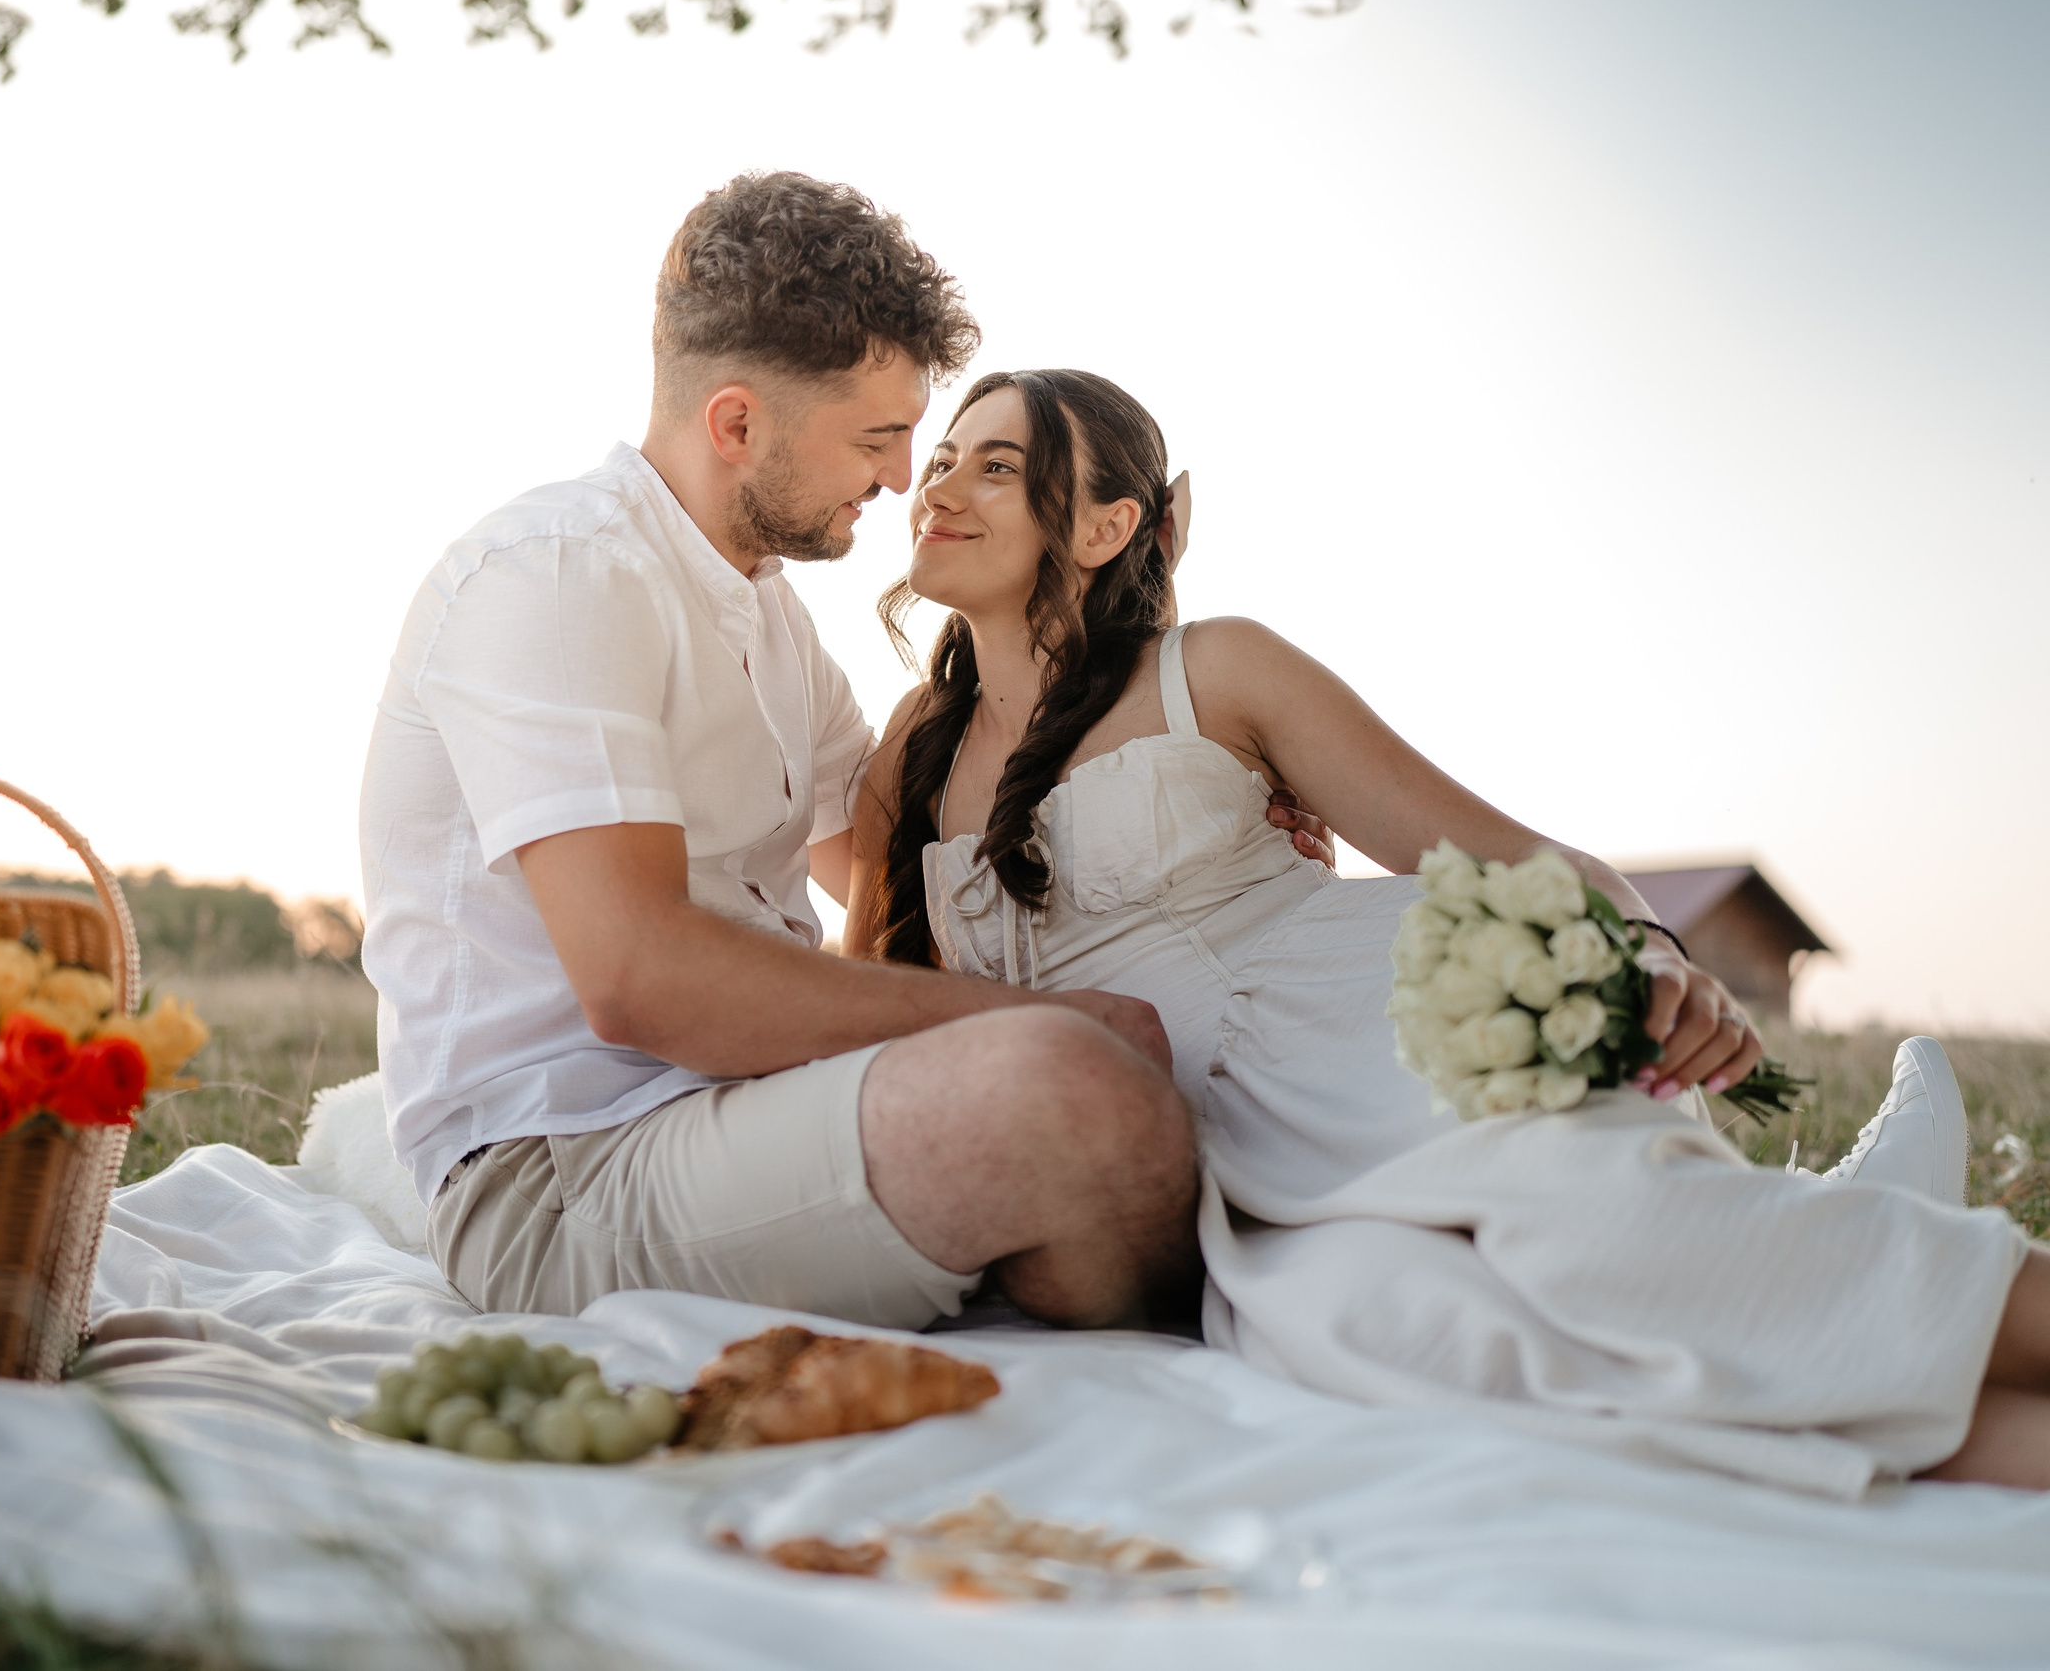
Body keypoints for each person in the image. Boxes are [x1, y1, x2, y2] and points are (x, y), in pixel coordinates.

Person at [841, 365, 2050, 1491]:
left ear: (1108, 527)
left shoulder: (1213, 669)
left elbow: (1512, 855)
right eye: (940, 460)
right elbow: (863, 1015)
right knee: (1419, 1337)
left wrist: (1652, 955)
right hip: (1225, 1180)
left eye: (995, 466)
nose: (938, 485)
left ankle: (1866, 1238)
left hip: (1383, 1042)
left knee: (1613, 1238)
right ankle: (1886, 1270)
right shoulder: (911, 756)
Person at [363, 174, 1336, 1333]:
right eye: (878, 440)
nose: (902, 479)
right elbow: (637, 979)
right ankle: (1193, 1298)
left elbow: (918, 845)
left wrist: (1220, 801)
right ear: (737, 425)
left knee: (1126, 1073)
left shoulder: (767, 617)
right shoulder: (560, 576)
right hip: (563, 1167)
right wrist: (1023, 1024)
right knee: (1069, 1090)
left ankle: (1073, 1247)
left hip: (749, 1112)